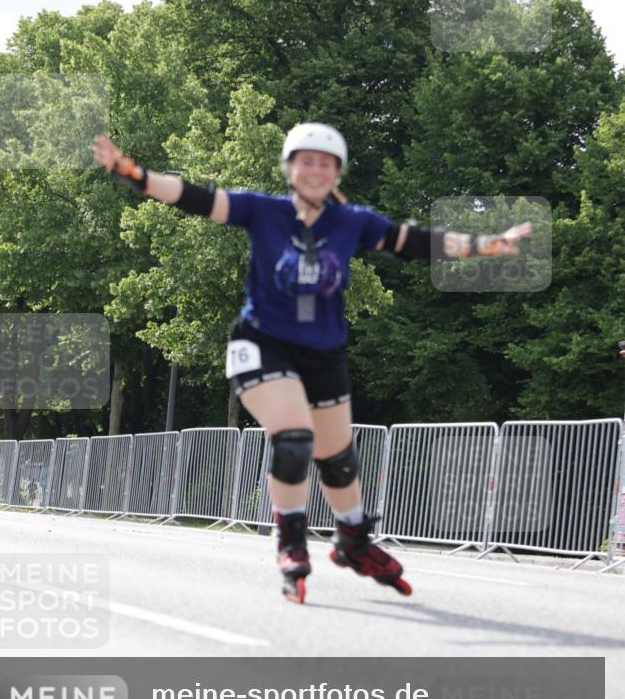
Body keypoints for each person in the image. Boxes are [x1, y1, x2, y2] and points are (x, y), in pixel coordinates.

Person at [92, 124, 532, 603]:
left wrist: (485, 245)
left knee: (339, 461)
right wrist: (134, 173)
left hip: (322, 351)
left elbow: (416, 241)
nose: (316, 170)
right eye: (307, 160)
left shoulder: (352, 221)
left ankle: (354, 540)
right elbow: (195, 196)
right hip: (263, 344)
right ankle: (291, 543)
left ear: (337, 172)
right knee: (295, 439)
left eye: (326, 163)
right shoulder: (264, 210)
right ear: (290, 168)